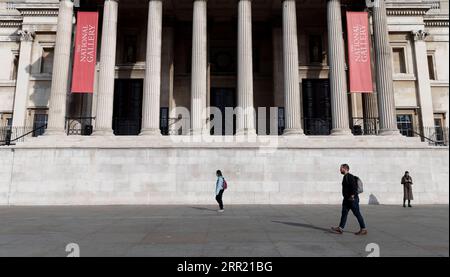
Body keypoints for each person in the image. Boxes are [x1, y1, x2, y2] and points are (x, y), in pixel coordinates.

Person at [331, 164, 368, 235]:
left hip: (352, 199)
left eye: (341, 168)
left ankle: (363, 229)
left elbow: (353, 187)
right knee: (344, 213)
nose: (340, 170)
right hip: (346, 200)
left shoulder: (350, 176)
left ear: (345, 169)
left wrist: (352, 196)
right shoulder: (345, 177)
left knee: (357, 214)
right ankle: (340, 228)